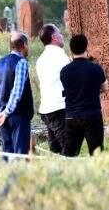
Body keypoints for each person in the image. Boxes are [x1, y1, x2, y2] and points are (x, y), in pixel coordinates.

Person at [60, 34, 108, 157]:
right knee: (96, 153)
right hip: (92, 115)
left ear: (71, 50)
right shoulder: (96, 69)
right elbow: (105, 88)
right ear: (87, 47)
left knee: (70, 155)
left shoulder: (64, 71)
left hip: (71, 116)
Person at [0, 32, 33, 155]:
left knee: (7, 154)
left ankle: (8, 175)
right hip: (18, 115)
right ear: (24, 45)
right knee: (20, 155)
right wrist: (6, 112)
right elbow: (17, 92)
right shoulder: (21, 62)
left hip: (2, 116)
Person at [36, 24, 69, 154]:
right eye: (59, 34)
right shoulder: (60, 55)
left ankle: (54, 172)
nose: (62, 36)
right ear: (54, 37)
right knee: (68, 147)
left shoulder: (40, 59)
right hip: (59, 107)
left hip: (46, 108)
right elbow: (69, 79)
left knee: (55, 148)